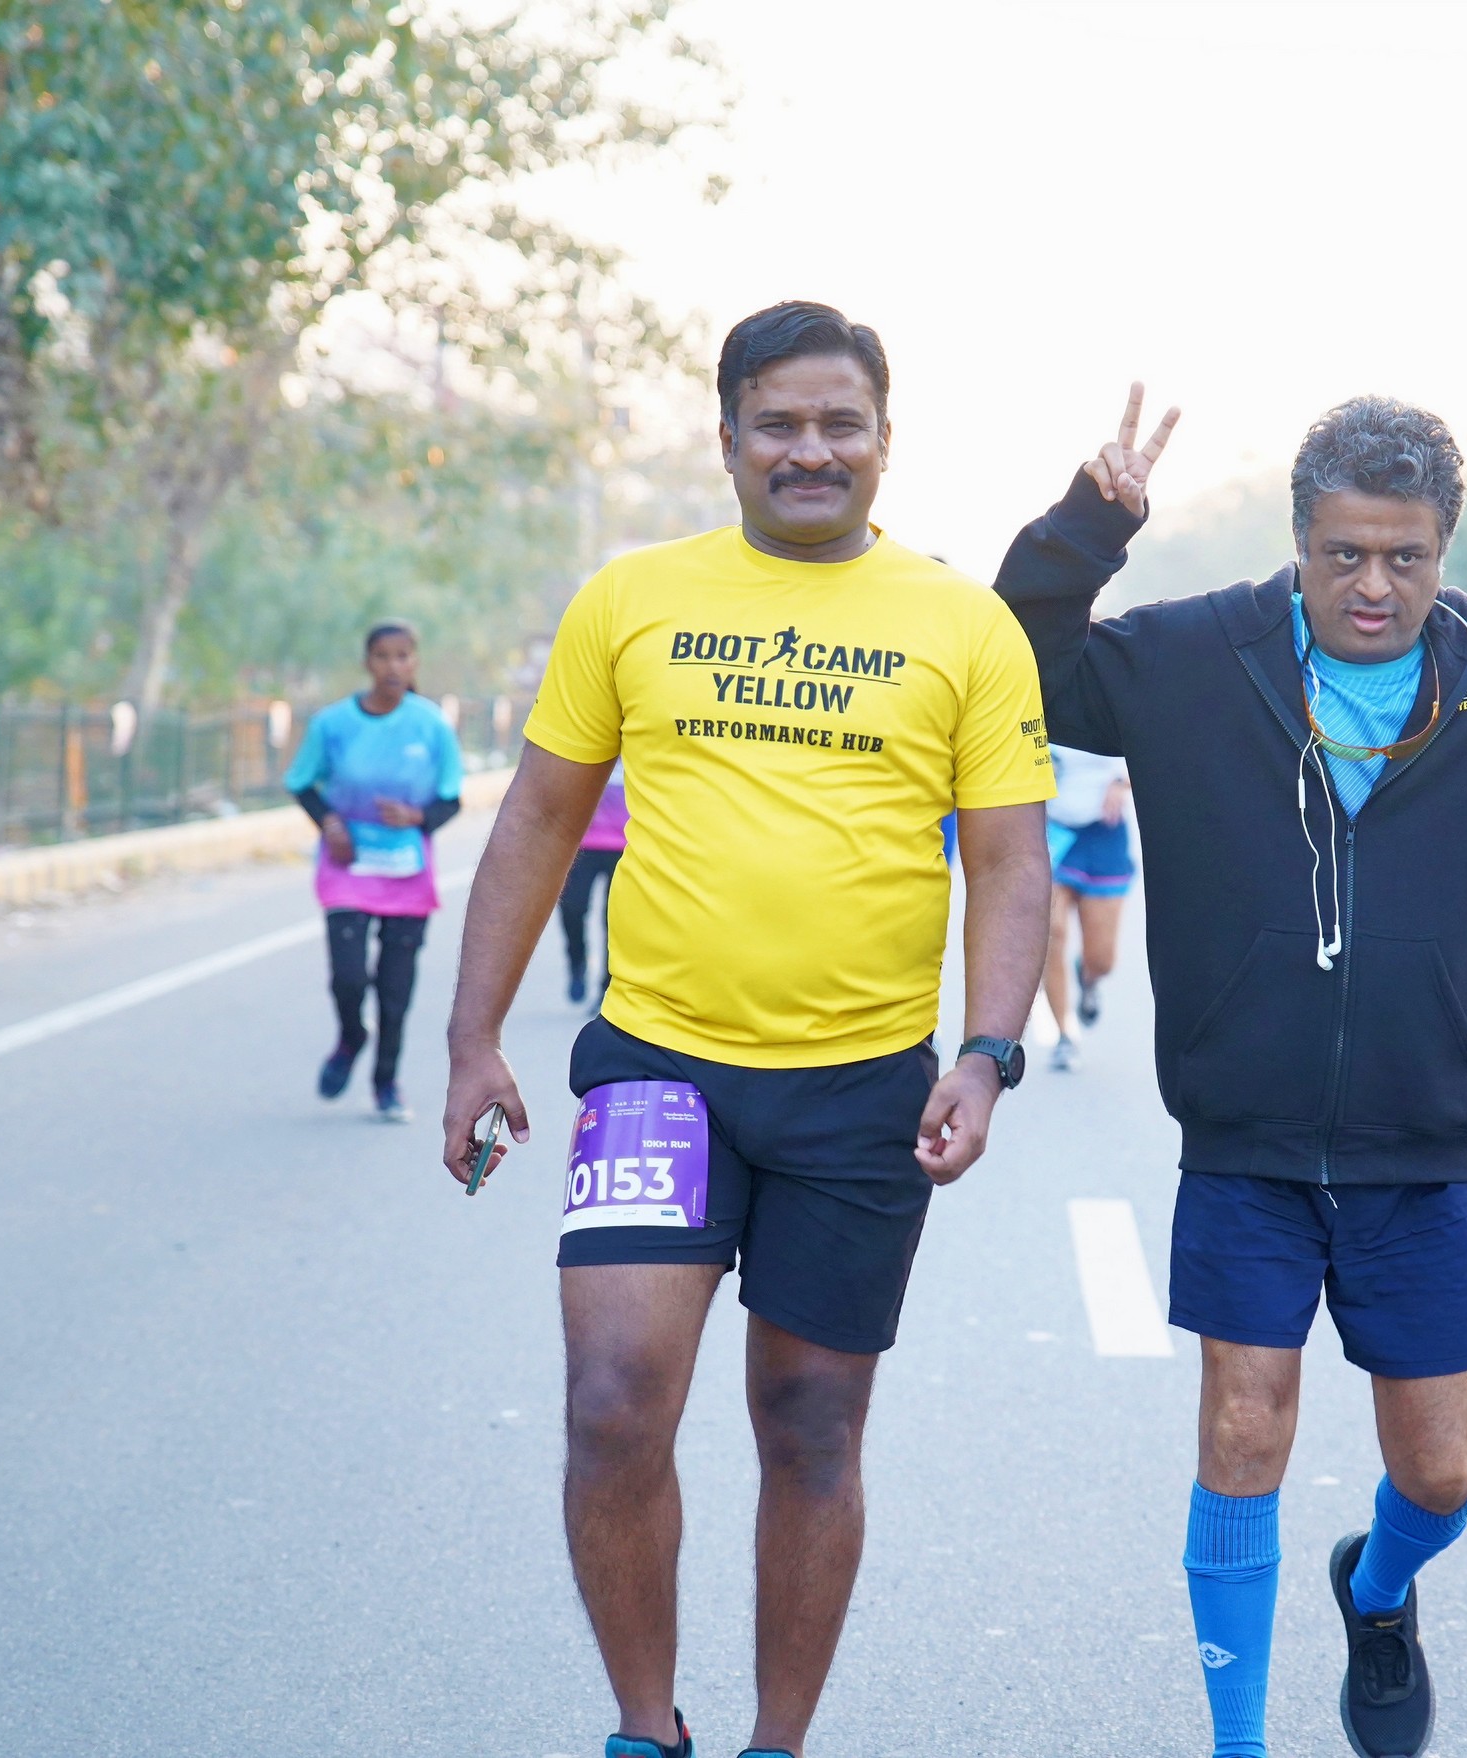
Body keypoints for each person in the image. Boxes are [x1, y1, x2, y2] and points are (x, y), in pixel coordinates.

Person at [992, 388, 1467, 1758]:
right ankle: (1238, 1741)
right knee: (1245, 1426)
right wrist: (1087, 526)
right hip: (1246, 1140)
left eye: (1405, 557)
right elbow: (1022, 667)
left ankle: (1379, 1584)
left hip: (1430, 1148)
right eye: (1342, 553)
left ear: (1443, 545)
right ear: (1299, 539)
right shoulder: (1193, 655)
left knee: (1443, 1469)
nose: (1372, 585)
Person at [438, 301, 1055, 1758]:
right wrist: (473, 1038)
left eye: (841, 423)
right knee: (611, 1402)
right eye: (778, 421)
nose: (810, 449)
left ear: (886, 442)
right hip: (660, 1066)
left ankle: (778, 1742)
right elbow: (538, 818)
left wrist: (986, 1053)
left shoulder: (964, 624)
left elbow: (1010, 860)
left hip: (860, 1091)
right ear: (726, 439)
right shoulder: (631, 598)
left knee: (811, 1419)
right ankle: (644, 1731)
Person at [285, 621, 464, 1123]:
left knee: (394, 989)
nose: (393, 666)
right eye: (383, 656)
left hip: (406, 870)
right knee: (348, 977)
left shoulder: (431, 725)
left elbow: (451, 799)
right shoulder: (333, 724)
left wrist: (417, 818)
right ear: (367, 663)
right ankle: (351, 1036)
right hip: (348, 864)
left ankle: (386, 1082)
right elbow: (302, 782)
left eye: (403, 656)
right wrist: (329, 823)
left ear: (415, 662)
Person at [1040, 743, 1133, 1071]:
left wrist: (1121, 782)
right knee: (1051, 932)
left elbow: (1153, 749)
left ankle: (1088, 978)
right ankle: (1065, 1035)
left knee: (1102, 960)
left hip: (1102, 830)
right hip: (1052, 829)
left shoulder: (1116, 706)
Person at [560, 763, 629, 1006]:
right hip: (583, 844)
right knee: (572, 908)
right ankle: (577, 964)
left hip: (627, 845)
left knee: (615, 921)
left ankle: (606, 988)